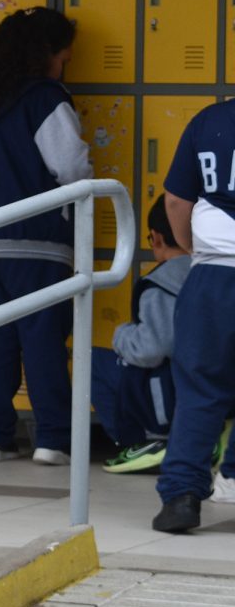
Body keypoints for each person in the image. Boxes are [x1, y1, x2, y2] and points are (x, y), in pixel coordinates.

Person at [0, 5, 92, 465]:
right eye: (64, 57)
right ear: (47, 53)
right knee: (43, 336)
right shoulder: (44, 96)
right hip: (33, 237)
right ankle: (53, 439)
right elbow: (70, 167)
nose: (64, 66)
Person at [152, 99, 235, 532]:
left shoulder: (211, 121)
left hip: (214, 275)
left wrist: (191, 250)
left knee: (201, 391)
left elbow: (176, 201)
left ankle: (181, 499)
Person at [93, 195, 188, 474]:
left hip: (172, 398)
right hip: (213, 391)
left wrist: (122, 333)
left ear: (157, 238)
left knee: (94, 360)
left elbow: (151, 349)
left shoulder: (160, 284)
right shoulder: (213, 272)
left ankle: (143, 440)